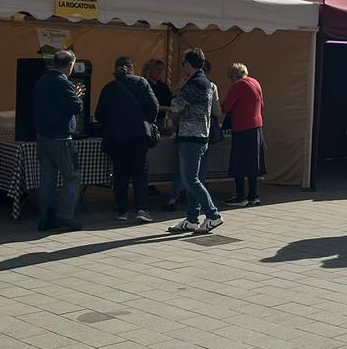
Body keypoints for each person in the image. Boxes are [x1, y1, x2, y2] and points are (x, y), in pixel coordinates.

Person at [95, 56, 159, 222]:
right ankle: (142, 209)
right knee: (139, 173)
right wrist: (147, 120)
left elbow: (99, 114)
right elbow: (154, 107)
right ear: (131, 68)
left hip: (116, 137)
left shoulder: (108, 88)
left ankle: (122, 210)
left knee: (119, 173)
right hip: (138, 134)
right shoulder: (142, 83)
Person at [166, 49, 224, 234]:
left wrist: (180, 88)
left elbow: (175, 106)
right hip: (201, 136)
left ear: (189, 64)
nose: (182, 67)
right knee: (195, 178)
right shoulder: (205, 82)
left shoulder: (194, 84)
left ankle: (213, 215)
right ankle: (192, 218)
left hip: (191, 137)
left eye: (183, 63)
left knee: (190, 179)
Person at [32, 50, 85, 231]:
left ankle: (46, 217)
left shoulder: (41, 81)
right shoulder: (63, 83)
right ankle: (65, 216)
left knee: (47, 179)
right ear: (70, 65)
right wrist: (77, 95)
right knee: (72, 177)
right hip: (61, 138)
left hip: (43, 136)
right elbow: (76, 107)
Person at [222, 63, 266, 207]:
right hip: (257, 126)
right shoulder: (255, 82)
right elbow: (262, 104)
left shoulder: (238, 85)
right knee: (253, 161)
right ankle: (254, 195)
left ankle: (241, 197)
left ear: (234, 75)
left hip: (242, 127)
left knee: (239, 161)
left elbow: (226, 106)